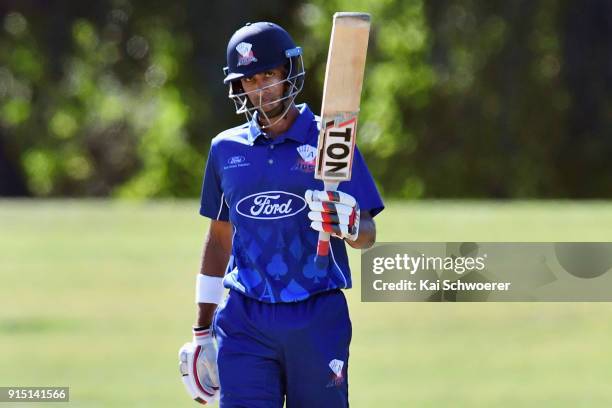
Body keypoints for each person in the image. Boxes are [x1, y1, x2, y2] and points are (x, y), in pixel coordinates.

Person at [178, 21, 384, 407]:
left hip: (317, 312)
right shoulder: (225, 149)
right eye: (250, 80)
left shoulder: (330, 137)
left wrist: (351, 224)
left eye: (269, 75)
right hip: (245, 317)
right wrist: (202, 331)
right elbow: (220, 239)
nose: (261, 89)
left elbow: (369, 234)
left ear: (288, 74)